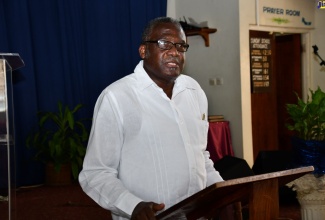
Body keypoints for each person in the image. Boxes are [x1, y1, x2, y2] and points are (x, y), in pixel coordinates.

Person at [79, 16, 224, 220]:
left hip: (197, 214)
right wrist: (133, 206)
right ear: (144, 51)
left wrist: (224, 194)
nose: (174, 52)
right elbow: (96, 173)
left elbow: (201, 156)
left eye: (181, 46)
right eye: (165, 44)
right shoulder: (117, 98)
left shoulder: (194, 91)